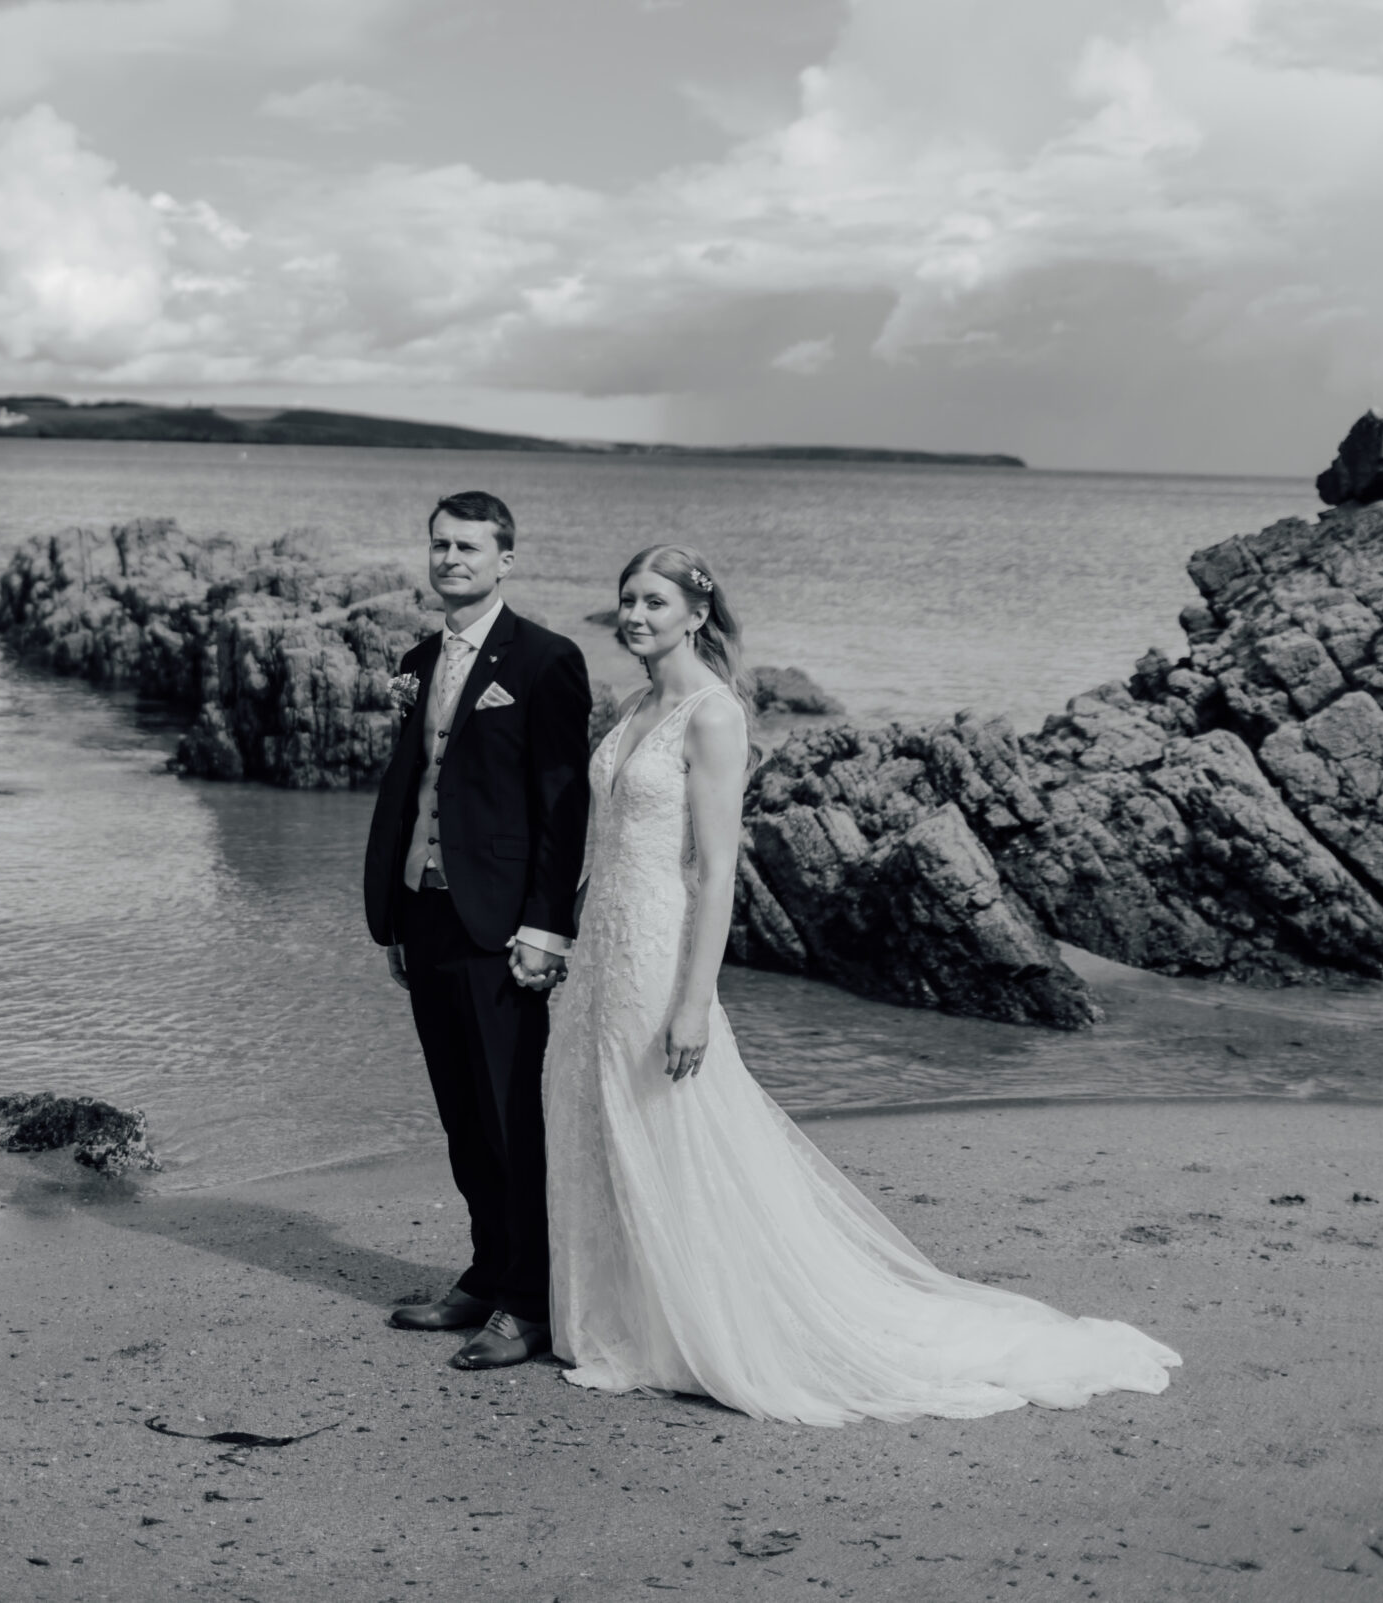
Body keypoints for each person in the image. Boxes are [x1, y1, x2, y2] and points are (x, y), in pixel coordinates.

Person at [543, 544, 1182, 1422]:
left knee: (672, 1127)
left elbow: (718, 869)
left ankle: (700, 1326)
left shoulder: (713, 714)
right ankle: (627, 1320)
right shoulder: (629, 704)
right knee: (604, 1121)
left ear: (697, 613)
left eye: (655, 601)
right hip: (603, 951)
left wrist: (696, 998)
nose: (636, 615)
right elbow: (609, 839)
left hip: (659, 951)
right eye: (626, 600)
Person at [363, 491, 592, 1370]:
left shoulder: (545, 660)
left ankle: (528, 1304)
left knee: (507, 1117)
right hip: (426, 911)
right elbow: (411, 786)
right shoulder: (420, 656)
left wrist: (547, 925)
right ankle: (485, 1275)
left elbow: (560, 806)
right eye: (439, 545)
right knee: (460, 1114)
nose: (449, 558)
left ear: (506, 559)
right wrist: (392, 908)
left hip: (503, 926)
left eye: (468, 546)